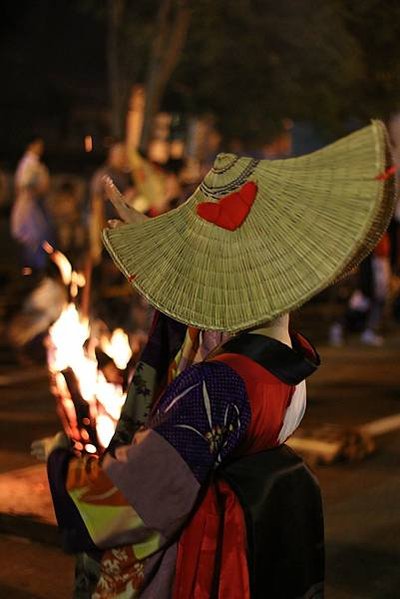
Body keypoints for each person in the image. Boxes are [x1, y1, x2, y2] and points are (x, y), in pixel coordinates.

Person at [32, 121, 395, 598]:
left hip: (202, 567)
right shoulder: (288, 363)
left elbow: (132, 499)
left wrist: (63, 459)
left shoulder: (216, 387)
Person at [11, 135, 55, 271]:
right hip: (30, 208)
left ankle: (38, 268)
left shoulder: (33, 163)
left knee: (40, 237)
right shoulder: (29, 163)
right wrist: (38, 190)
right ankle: (34, 270)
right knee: (33, 238)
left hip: (36, 207)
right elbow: (24, 185)